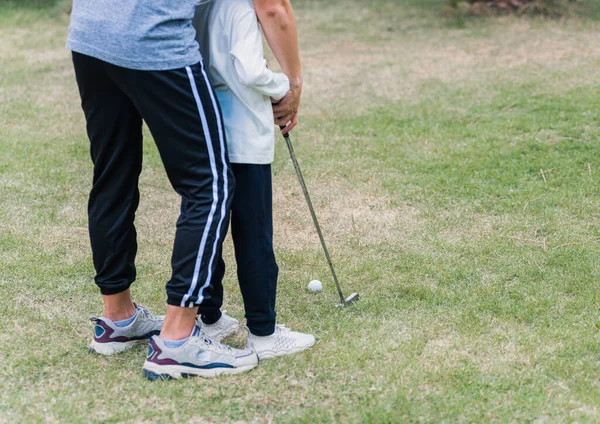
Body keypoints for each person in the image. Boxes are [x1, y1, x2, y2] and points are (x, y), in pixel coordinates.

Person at [67, 0, 259, 380]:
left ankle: (119, 319)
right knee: (211, 183)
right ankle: (177, 342)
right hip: (153, 37)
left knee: (112, 175)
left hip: (90, 32)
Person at [193, 0, 315, 360]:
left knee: (211, 232)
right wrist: (284, 87)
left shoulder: (203, 5)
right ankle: (263, 333)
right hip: (244, 136)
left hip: (210, 132)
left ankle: (209, 316)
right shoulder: (240, 7)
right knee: (255, 236)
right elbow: (250, 70)